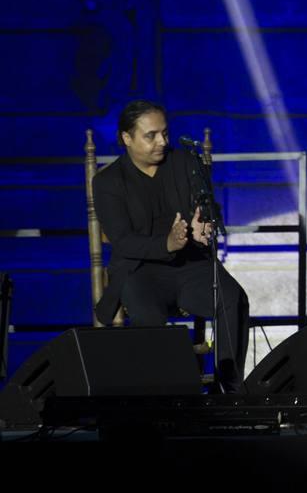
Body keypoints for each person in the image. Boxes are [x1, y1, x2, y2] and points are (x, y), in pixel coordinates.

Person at [92, 99, 250, 390]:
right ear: (127, 138)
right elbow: (124, 241)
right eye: (150, 135)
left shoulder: (185, 163)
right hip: (140, 269)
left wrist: (204, 225)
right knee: (147, 314)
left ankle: (229, 389)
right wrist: (166, 243)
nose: (161, 141)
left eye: (164, 133)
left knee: (232, 297)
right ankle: (166, 394)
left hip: (190, 264)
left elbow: (207, 207)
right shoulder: (108, 182)